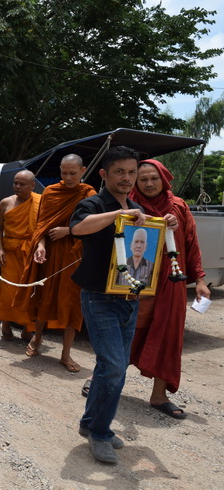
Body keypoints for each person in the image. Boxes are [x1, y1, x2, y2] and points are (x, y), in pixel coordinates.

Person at [69, 146, 178, 464]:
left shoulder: (136, 208)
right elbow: (78, 228)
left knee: (110, 366)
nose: (127, 178)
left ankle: (90, 423)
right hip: (99, 298)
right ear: (104, 174)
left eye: (131, 172)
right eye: (120, 172)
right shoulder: (93, 204)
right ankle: (100, 432)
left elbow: (147, 241)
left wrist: (166, 225)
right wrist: (116, 216)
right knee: (115, 366)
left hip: (130, 299)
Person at [128, 158, 210, 419]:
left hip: (171, 280)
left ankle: (159, 395)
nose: (149, 184)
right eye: (143, 179)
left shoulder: (179, 206)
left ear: (164, 179)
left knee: (168, 335)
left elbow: (191, 244)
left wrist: (199, 280)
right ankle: (102, 381)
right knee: (126, 331)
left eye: (154, 178)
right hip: (137, 278)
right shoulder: (128, 204)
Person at [15, 154, 96, 372]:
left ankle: (65, 353)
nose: (68, 178)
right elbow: (41, 225)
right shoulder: (51, 192)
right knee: (45, 296)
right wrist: (40, 245)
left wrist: (68, 231)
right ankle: (37, 339)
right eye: (64, 173)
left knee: (73, 304)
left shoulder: (89, 194)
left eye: (73, 173)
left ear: (83, 171)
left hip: (75, 255)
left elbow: (93, 226)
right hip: (50, 254)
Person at [0, 170, 40, 340]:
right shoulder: (6, 203)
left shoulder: (40, 202)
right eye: (15, 183)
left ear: (32, 186)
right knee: (8, 291)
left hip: (30, 253)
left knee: (30, 291)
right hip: (10, 253)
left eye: (22, 184)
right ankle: (5, 324)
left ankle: (28, 329)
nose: (17, 187)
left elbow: (43, 229)